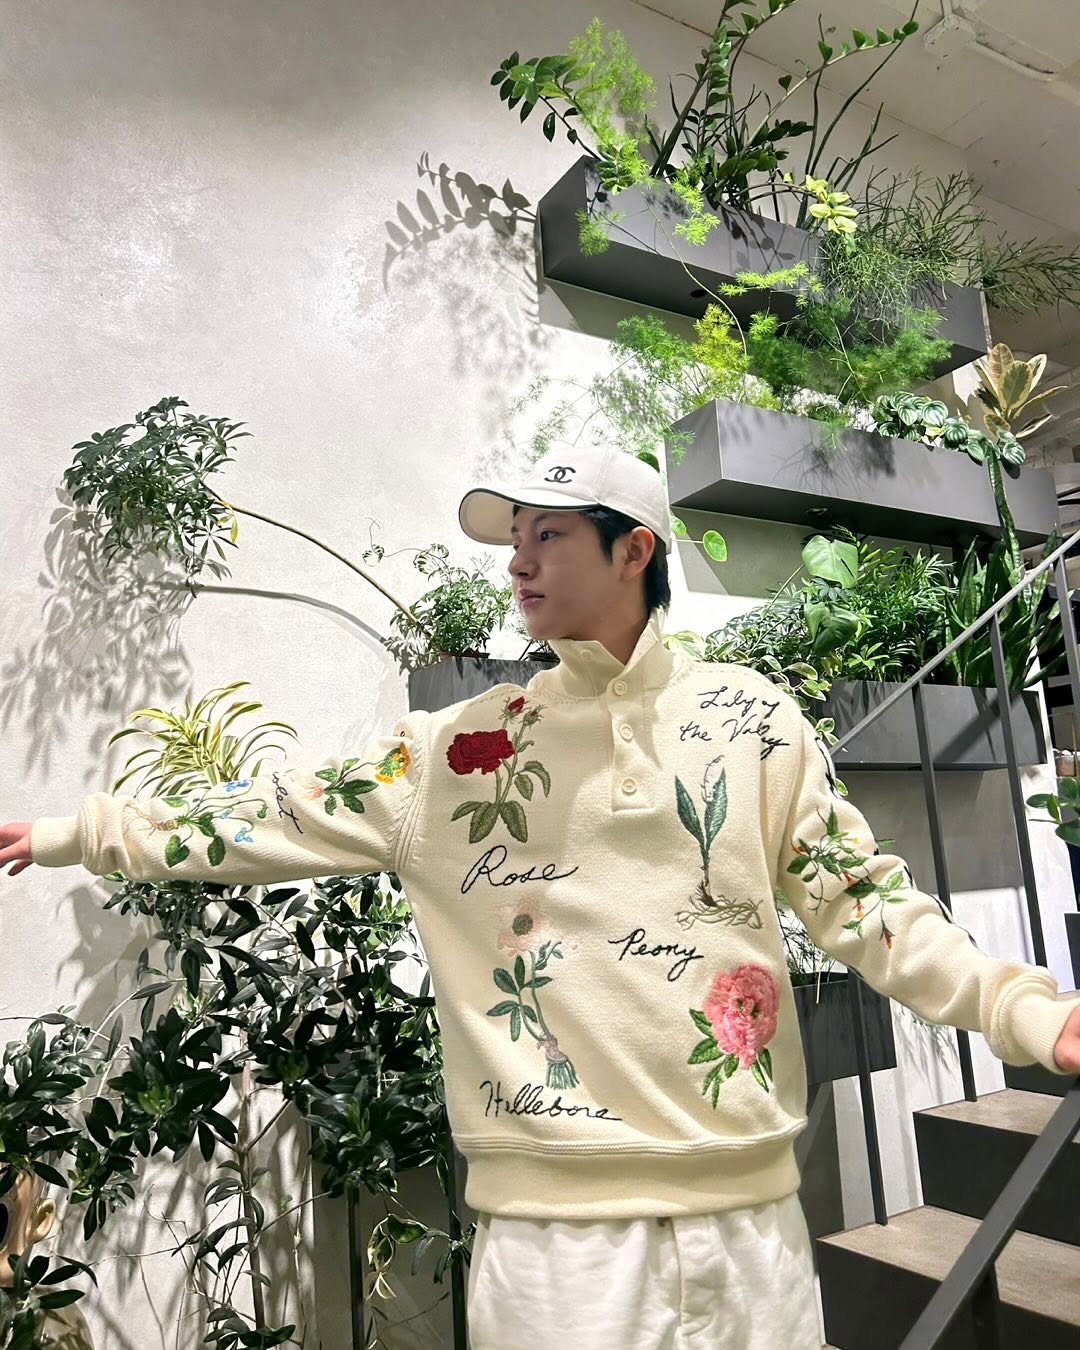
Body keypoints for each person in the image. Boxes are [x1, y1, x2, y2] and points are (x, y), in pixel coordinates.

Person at [3, 445, 1080, 1350]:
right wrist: (74, 833)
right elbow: (275, 814)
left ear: (634, 550)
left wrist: (1027, 1011)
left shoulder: (756, 723)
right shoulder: (457, 751)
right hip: (556, 1249)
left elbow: (868, 903)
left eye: (548, 534)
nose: (517, 561)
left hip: (751, 1223)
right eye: (513, 538)